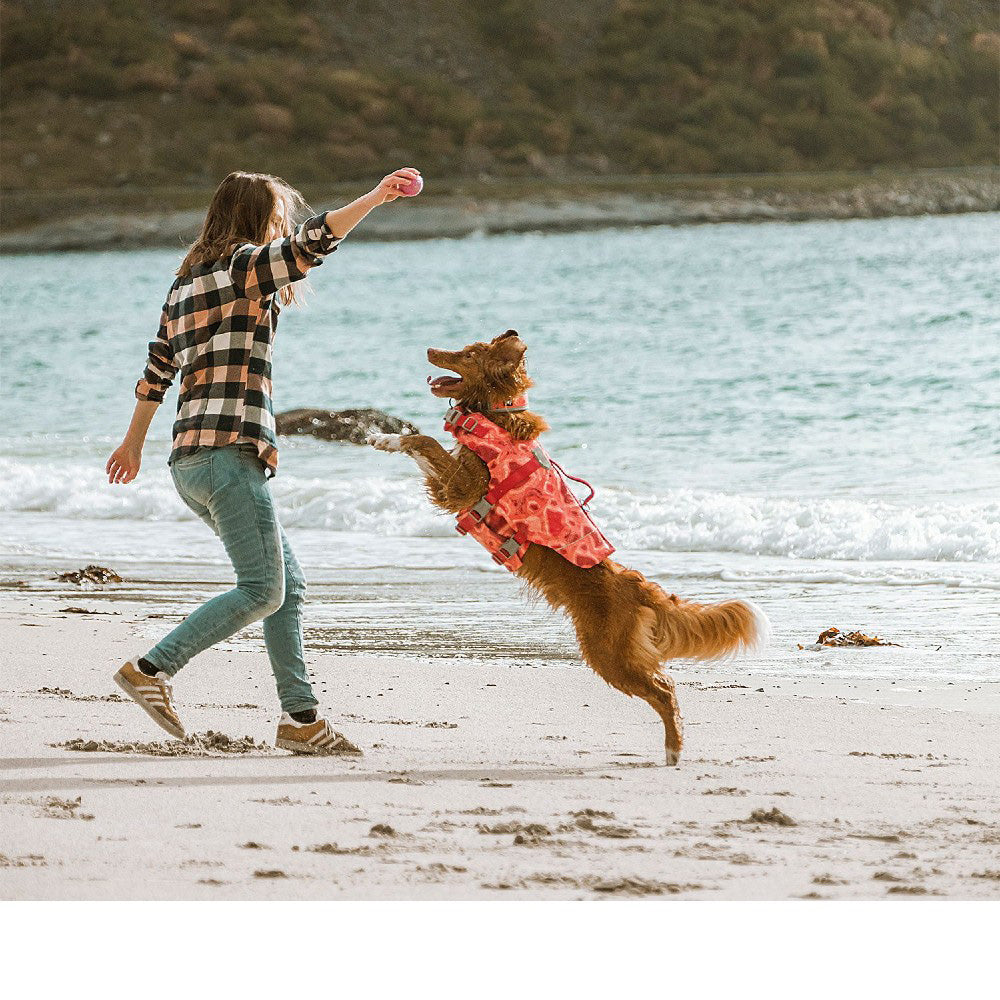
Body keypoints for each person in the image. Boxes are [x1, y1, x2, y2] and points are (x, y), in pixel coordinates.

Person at [105, 167, 420, 754]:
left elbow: (156, 372)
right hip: (228, 456)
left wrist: (132, 444)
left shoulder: (184, 283)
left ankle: (301, 721)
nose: (284, 224)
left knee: (286, 588)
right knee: (262, 590)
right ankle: (151, 668)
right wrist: (377, 196)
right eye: (277, 215)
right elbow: (314, 241)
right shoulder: (244, 267)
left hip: (189, 462)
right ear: (258, 218)